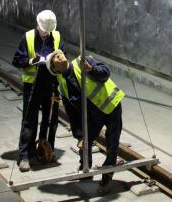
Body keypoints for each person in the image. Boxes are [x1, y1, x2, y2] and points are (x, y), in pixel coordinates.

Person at [46, 49, 124, 193]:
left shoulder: (83, 61)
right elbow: (72, 113)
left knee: (112, 144)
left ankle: (106, 178)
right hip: (94, 115)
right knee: (84, 142)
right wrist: (79, 134)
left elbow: (106, 73)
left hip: (111, 106)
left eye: (59, 53)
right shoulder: (62, 85)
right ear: (55, 69)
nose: (58, 55)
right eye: (54, 58)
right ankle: (85, 167)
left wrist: (91, 69)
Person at [11, 10, 61, 172]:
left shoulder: (57, 36)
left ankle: (45, 149)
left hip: (51, 85)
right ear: (38, 25)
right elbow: (17, 60)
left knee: (50, 121)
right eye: (44, 29)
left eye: (49, 30)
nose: (46, 32)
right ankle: (25, 155)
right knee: (29, 121)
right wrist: (32, 61)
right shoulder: (28, 37)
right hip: (32, 86)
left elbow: (62, 58)